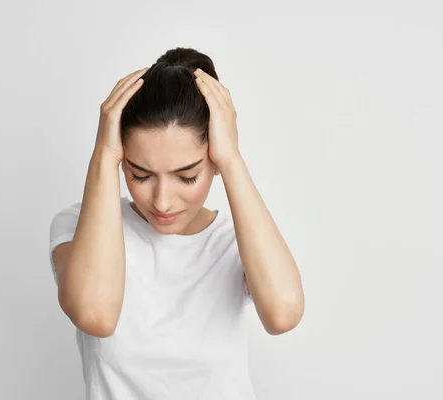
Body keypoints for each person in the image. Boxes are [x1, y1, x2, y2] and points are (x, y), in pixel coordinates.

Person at [48, 47, 305, 399]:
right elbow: (95, 314)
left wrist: (231, 158)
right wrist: (103, 154)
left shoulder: (235, 242)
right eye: (140, 175)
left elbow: (283, 314)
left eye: (187, 177)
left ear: (211, 161)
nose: (163, 201)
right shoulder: (79, 226)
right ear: (123, 161)